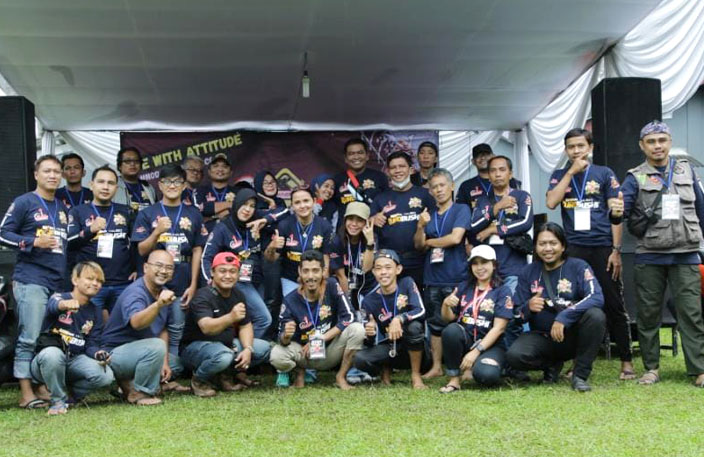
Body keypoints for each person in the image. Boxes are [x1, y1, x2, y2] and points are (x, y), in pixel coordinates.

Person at [616, 120, 704, 387]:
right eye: (651, 141)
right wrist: (615, 210)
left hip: (686, 253)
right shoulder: (635, 176)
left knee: (691, 314)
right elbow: (621, 210)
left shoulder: (686, 170)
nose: (657, 146)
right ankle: (651, 368)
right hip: (650, 254)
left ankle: (699, 369)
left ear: (669, 142)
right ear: (642, 146)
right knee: (648, 314)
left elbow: (701, 209)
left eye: (662, 140)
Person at [545, 128, 634, 380]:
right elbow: (551, 202)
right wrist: (570, 172)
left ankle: (626, 361)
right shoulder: (560, 175)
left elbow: (616, 214)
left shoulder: (604, 173)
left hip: (603, 247)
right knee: (576, 304)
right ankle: (578, 362)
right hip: (573, 248)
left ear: (590, 148)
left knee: (614, 304)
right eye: (571, 147)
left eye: (580, 146)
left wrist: (616, 250)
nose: (576, 151)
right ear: (566, 150)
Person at [0, 155, 69, 409]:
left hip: (56, 281)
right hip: (31, 279)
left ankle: (41, 386)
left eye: (57, 172)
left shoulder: (62, 208)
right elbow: (2, 233)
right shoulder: (24, 202)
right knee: (28, 337)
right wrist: (33, 242)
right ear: (36, 174)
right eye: (47, 171)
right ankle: (26, 393)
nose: (53, 175)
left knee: (46, 337)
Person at [506, 223, 606, 392]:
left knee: (596, 316)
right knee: (514, 356)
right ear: (535, 247)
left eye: (553, 243)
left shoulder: (579, 266)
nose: (548, 249)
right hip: (543, 337)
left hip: (573, 335)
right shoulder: (528, 272)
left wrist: (564, 317)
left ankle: (580, 375)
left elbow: (596, 296)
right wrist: (528, 307)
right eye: (542, 244)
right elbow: (515, 315)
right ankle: (551, 365)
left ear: (563, 246)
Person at [132, 164, 207, 383]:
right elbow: (141, 250)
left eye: (177, 182)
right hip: (154, 280)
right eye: (167, 182)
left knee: (176, 327)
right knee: (152, 325)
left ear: (184, 185)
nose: (172, 186)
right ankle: (153, 369)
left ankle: (170, 372)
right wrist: (157, 232)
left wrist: (194, 284)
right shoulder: (148, 213)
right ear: (160, 185)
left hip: (182, 276)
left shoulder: (193, 213)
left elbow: (197, 250)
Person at [270, 250, 365, 390]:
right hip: (304, 354)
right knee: (276, 355)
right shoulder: (290, 300)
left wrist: (322, 338)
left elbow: (349, 316)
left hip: (330, 351)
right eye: (306, 271)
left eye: (315, 271)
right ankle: (299, 373)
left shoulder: (332, 285)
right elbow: (281, 339)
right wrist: (286, 336)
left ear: (323, 271)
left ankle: (340, 376)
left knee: (358, 330)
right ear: (299, 271)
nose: (310, 276)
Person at [182, 252, 271, 397]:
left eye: (232, 271)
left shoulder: (238, 295)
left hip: (226, 345)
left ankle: (225, 375)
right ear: (212, 272)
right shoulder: (202, 296)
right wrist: (230, 317)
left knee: (263, 348)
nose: (228, 276)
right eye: (222, 271)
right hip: (196, 348)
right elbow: (206, 328)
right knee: (224, 356)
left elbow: (245, 325)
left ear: (238, 274)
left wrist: (248, 349)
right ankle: (199, 380)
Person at [32, 262, 114, 415]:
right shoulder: (59, 297)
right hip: (47, 360)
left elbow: (91, 343)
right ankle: (57, 401)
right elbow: (53, 305)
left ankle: (71, 395)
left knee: (106, 376)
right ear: (75, 280)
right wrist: (65, 304)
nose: (95, 283)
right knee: (52, 355)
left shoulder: (95, 311)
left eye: (99, 281)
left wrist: (98, 354)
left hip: (74, 359)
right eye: (90, 278)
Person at [101, 250, 180, 405]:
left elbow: (162, 329)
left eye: (169, 267)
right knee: (156, 347)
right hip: (114, 354)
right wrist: (158, 305)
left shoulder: (163, 292)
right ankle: (139, 393)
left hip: (140, 351)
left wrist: (164, 362)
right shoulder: (136, 292)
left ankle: (128, 386)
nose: (164, 271)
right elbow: (136, 323)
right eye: (159, 265)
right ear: (145, 268)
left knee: (176, 363)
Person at [414, 168, 472, 379]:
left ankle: (466, 367)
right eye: (434, 187)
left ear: (452, 186)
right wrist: (420, 227)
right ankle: (437, 367)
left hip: (457, 276)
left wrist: (430, 241)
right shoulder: (428, 214)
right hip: (432, 278)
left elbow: (455, 238)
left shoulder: (461, 209)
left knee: (462, 322)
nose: (438, 190)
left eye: (442, 185)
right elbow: (418, 246)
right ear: (430, 191)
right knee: (435, 324)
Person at [438, 245, 513, 392]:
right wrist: (445, 304)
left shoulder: (503, 290)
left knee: (486, 376)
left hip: (492, 345)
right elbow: (448, 318)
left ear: (494, 265)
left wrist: (476, 352)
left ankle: (488, 367)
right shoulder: (463, 287)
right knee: (451, 331)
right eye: (475, 263)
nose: (479, 267)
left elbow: (499, 328)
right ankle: (454, 379)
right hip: (467, 339)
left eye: (484, 262)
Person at [200, 188, 272, 338]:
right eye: (244, 204)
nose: (247, 209)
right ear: (236, 203)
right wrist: (210, 281)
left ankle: (242, 347)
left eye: (252, 206)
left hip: (257, 280)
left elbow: (285, 212)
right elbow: (206, 257)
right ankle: (242, 348)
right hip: (237, 281)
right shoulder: (223, 227)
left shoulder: (257, 220)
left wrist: (266, 220)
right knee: (264, 319)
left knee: (249, 320)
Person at [354, 249, 429, 389]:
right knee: (360, 359)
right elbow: (369, 342)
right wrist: (370, 333)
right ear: (373, 272)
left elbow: (421, 311)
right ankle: (384, 369)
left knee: (414, 327)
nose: (383, 272)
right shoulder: (369, 301)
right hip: (390, 346)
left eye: (388, 267)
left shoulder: (406, 283)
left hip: (415, 346)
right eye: (378, 268)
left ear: (398, 269)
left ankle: (415, 375)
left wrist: (399, 319)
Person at [67, 165, 134, 322]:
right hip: (90, 283)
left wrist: (138, 267)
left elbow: (138, 242)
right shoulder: (78, 211)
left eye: (110, 183)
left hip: (122, 282)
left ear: (116, 188)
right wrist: (90, 230)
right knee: (89, 326)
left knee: (121, 327)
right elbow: (69, 243)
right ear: (91, 185)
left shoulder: (127, 211)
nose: (105, 187)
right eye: (101, 182)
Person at [371, 151, 436, 290]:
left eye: (402, 166)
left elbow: (438, 224)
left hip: (420, 261)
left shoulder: (425, 195)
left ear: (411, 169)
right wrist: (373, 219)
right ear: (388, 172)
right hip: (390, 263)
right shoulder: (380, 198)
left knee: (419, 299)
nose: (397, 170)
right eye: (393, 167)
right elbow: (366, 227)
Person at [470, 155, 533, 294]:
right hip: (488, 270)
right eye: (493, 171)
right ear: (489, 176)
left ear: (510, 174)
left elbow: (525, 222)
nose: (497, 174)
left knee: (511, 305)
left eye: (502, 170)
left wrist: (492, 229)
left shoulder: (522, 196)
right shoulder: (482, 201)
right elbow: (474, 226)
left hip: (514, 268)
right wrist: (497, 207)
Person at [264, 186, 334, 297]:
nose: (302, 206)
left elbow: (326, 255)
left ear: (314, 201)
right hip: (291, 279)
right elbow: (271, 259)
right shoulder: (284, 225)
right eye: (297, 202)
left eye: (306, 201)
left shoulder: (325, 226)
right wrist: (272, 246)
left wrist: (324, 276)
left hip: (315, 279)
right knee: (292, 306)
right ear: (292, 205)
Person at [330, 202, 377, 309]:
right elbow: (341, 276)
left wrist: (370, 242)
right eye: (350, 219)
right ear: (345, 220)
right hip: (347, 285)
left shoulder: (372, 238)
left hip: (368, 286)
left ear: (366, 222)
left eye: (359, 220)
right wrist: (348, 305)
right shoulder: (337, 241)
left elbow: (366, 268)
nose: (354, 224)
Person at [332, 138, 389, 225]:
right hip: (346, 230)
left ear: (367, 156)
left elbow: (387, 204)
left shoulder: (379, 177)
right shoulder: (337, 180)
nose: (356, 157)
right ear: (345, 158)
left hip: (373, 229)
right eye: (351, 154)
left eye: (360, 153)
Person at [456, 143, 520, 210]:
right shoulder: (466, 186)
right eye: (478, 156)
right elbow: (460, 211)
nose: (483, 158)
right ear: (473, 161)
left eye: (486, 155)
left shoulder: (510, 181)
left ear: (493, 157)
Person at [193, 153, 238, 233]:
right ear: (209, 171)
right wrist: (231, 205)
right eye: (216, 166)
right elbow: (200, 209)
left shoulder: (238, 192)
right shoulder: (200, 191)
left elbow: (241, 211)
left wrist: (211, 216)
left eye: (224, 166)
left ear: (231, 172)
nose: (220, 169)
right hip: (206, 235)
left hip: (232, 235)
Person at [113, 147, 157, 214]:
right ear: (120, 166)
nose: (132, 164)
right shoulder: (113, 186)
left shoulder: (148, 187)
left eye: (136, 161)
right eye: (128, 161)